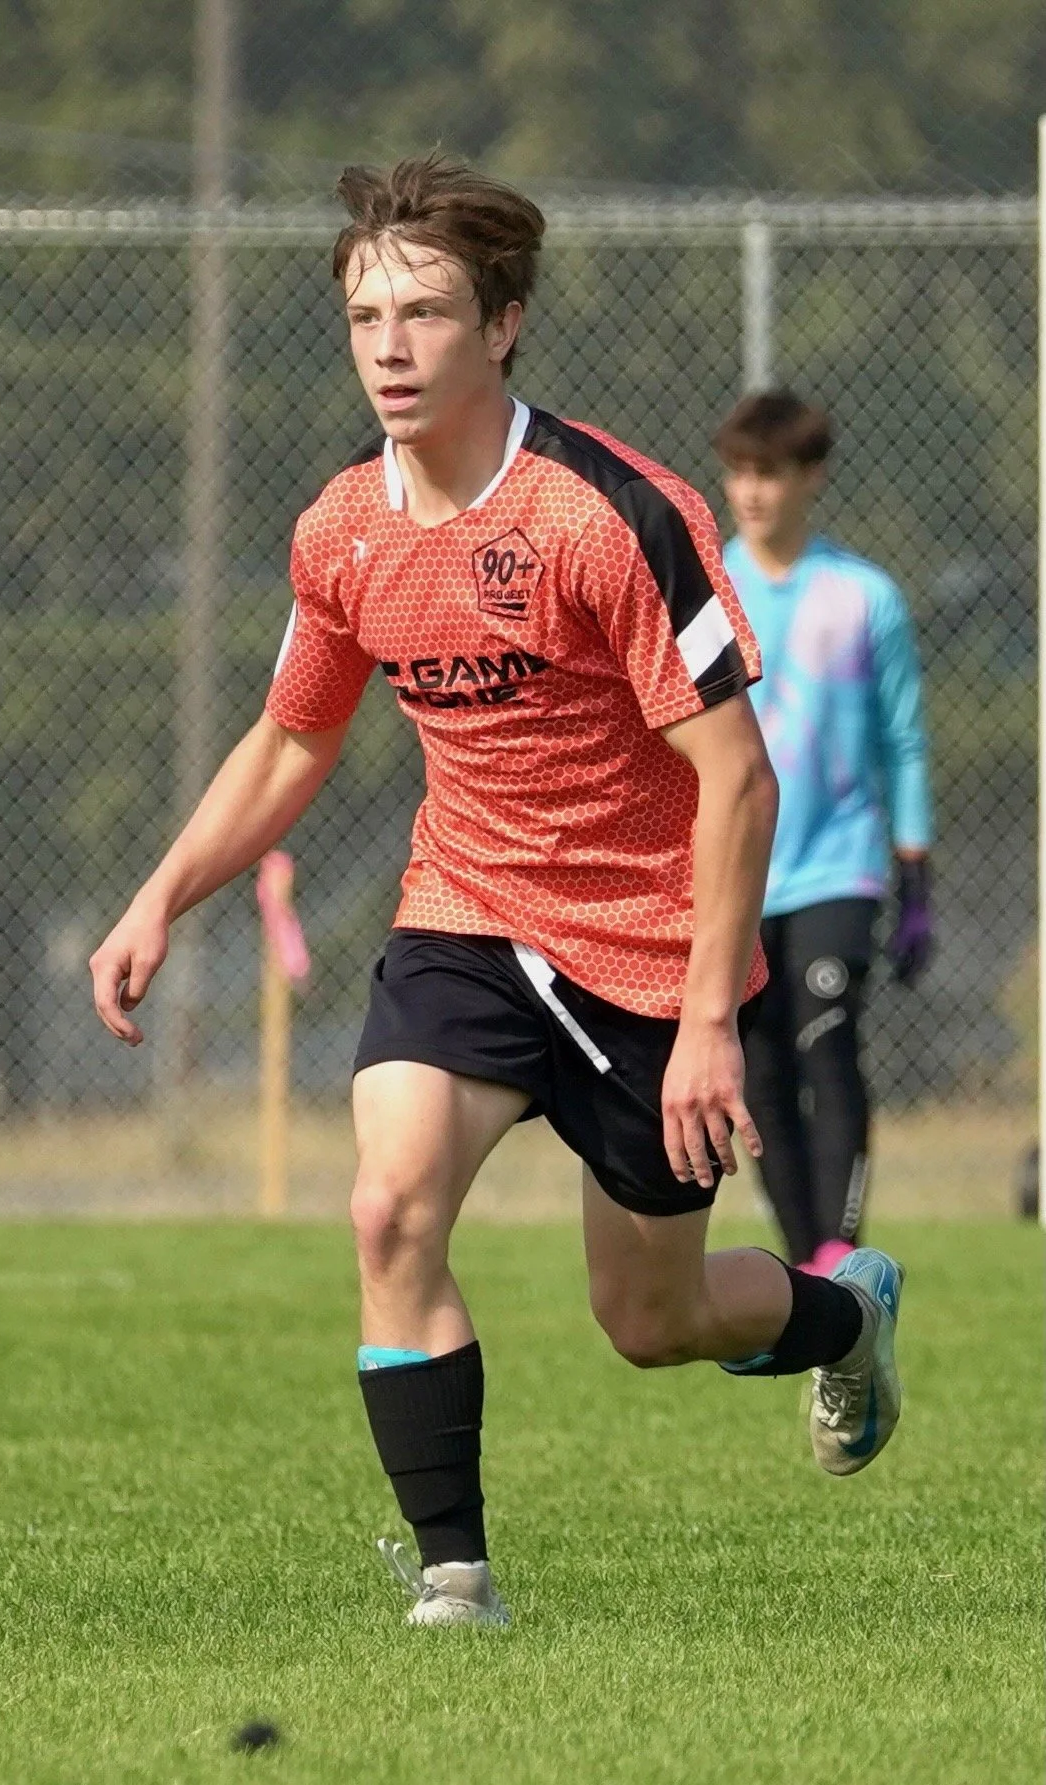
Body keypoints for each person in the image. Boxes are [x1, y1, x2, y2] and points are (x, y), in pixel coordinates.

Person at [90, 156, 906, 1628]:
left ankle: (846, 1316)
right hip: (467, 913)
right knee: (388, 1206)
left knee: (646, 1319)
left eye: (424, 312)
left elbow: (740, 778)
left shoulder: (614, 514)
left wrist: (714, 1014)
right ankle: (454, 1574)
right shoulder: (342, 529)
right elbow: (295, 732)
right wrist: (163, 894)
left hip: (654, 953)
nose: (389, 346)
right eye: (363, 315)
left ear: (505, 323)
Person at [717, 393, 934, 1277]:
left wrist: (914, 877)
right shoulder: (704, 589)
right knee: (758, 1075)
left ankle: (839, 1252)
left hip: (838, 868)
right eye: (737, 472)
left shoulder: (864, 597)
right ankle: (809, 1263)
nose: (751, 492)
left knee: (828, 1042)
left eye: (769, 473)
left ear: (812, 476)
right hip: (733, 872)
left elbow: (904, 741)